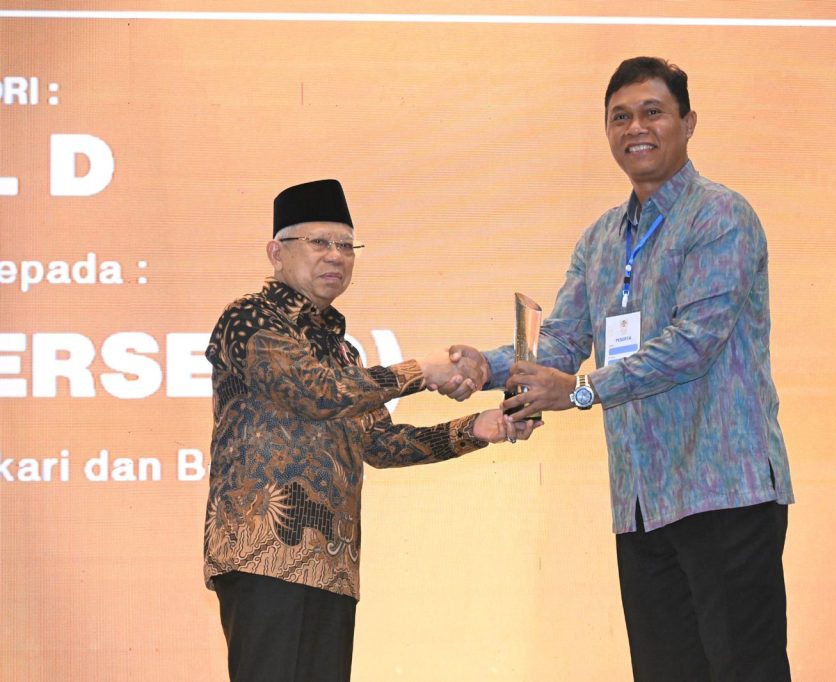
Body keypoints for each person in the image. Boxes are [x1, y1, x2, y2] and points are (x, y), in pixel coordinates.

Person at [441, 57, 795, 680]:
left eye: (653, 112)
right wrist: (489, 367)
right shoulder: (601, 239)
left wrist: (580, 390)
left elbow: (693, 344)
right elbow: (563, 339)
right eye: (620, 117)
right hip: (641, 503)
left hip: (724, 491)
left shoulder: (720, 216)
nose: (636, 128)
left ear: (688, 122)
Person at [203, 178, 539, 682]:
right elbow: (315, 393)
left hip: (332, 565)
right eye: (319, 242)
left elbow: (381, 446)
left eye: (346, 246)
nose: (336, 256)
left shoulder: (345, 352)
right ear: (276, 253)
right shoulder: (250, 317)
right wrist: (419, 370)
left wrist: (479, 427)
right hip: (263, 553)